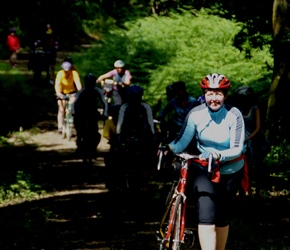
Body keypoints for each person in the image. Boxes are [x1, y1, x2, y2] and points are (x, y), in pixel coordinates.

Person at [160, 73, 246, 250]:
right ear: (204, 94)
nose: (214, 98)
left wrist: (219, 155)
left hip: (230, 170)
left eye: (218, 93)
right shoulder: (195, 114)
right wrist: (168, 148)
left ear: (225, 95)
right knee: (205, 214)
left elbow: (237, 148)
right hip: (204, 169)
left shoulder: (234, 115)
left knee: (222, 217)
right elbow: (182, 141)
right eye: (210, 93)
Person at [107, 84, 156, 191]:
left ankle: (145, 183)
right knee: (117, 157)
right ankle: (117, 180)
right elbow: (120, 124)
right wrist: (119, 136)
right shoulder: (126, 107)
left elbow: (150, 123)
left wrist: (152, 136)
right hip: (129, 137)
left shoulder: (144, 107)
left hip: (140, 137)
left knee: (148, 159)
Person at [234, 86, 269, 195]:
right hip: (244, 142)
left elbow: (258, 127)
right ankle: (245, 190)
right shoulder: (240, 110)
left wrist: (249, 138)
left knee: (257, 166)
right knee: (244, 166)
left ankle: (259, 190)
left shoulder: (255, 109)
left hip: (257, 142)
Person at [72, 73, 108, 161]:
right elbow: (74, 103)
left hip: (92, 113)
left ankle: (93, 148)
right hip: (81, 113)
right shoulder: (82, 91)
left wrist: (105, 113)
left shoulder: (97, 90)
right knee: (80, 131)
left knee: (95, 133)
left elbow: (104, 102)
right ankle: (79, 146)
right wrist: (74, 113)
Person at [157, 81, 200, 145]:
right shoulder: (173, 102)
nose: (179, 92)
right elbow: (163, 113)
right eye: (177, 90)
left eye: (181, 89)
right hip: (176, 128)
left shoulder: (193, 101)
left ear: (184, 90)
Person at [54, 58, 82, 133]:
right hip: (61, 92)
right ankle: (60, 126)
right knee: (61, 109)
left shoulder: (74, 73)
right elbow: (57, 84)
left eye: (68, 70)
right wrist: (58, 93)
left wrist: (80, 91)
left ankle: (70, 121)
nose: (66, 71)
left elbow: (78, 83)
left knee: (72, 105)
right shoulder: (60, 73)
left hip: (71, 92)